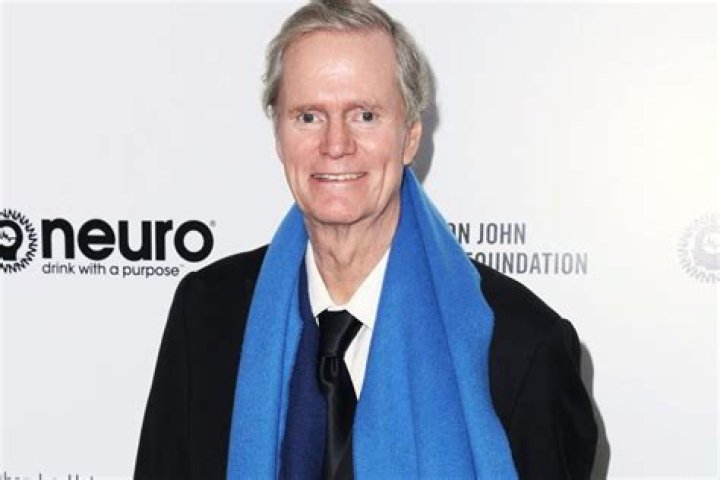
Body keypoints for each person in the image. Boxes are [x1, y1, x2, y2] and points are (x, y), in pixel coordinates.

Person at [134, 1, 597, 478]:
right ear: (278, 136)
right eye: (308, 116)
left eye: (365, 115)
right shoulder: (207, 316)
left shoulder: (523, 347)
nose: (336, 145)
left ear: (410, 137)